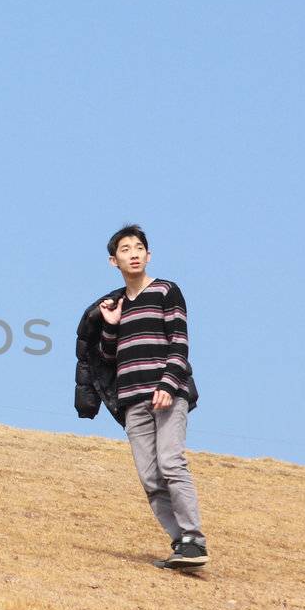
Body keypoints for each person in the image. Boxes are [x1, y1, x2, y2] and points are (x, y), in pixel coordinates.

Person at [76, 224, 207, 569]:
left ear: (148, 256)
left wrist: (167, 384)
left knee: (170, 462)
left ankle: (194, 537)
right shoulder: (115, 304)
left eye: (138, 248)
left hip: (167, 394)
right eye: (125, 249)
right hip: (132, 400)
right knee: (150, 477)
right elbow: (107, 357)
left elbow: (179, 342)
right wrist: (110, 325)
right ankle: (182, 543)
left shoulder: (167, 291)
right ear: (113, 261)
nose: (133, 254)